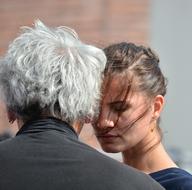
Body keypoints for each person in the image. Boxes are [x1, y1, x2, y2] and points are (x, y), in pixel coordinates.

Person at [0, 21, 164, 190]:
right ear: (87, 112)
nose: (105, 122)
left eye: (120, 108)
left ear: (10, 110)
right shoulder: (139, 185)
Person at [93, 42, 192, 190]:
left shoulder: (183, 187)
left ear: (156, 107)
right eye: (95, 108)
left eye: (120, 108)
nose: (103, 122)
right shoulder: (100, 178)